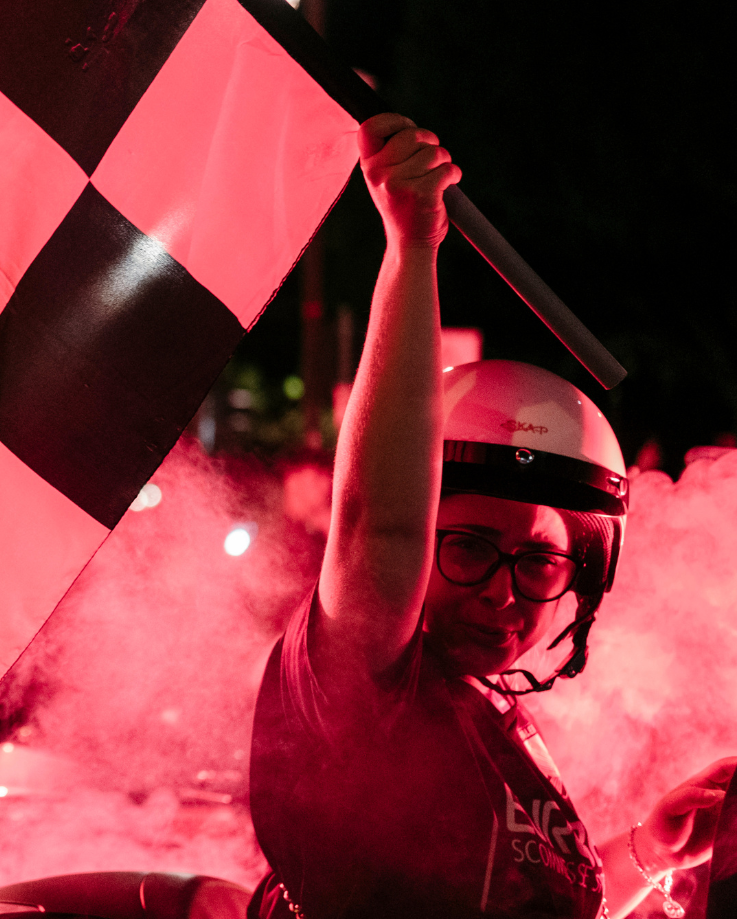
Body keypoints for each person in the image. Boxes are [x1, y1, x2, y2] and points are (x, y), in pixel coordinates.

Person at [246, 113, 735, 919]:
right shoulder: (366, 691)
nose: (505, 593)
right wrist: (411, 249)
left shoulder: (499, 720)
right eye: (469, 547)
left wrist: (652, 848)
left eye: (539, 561)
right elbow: (381, 527)